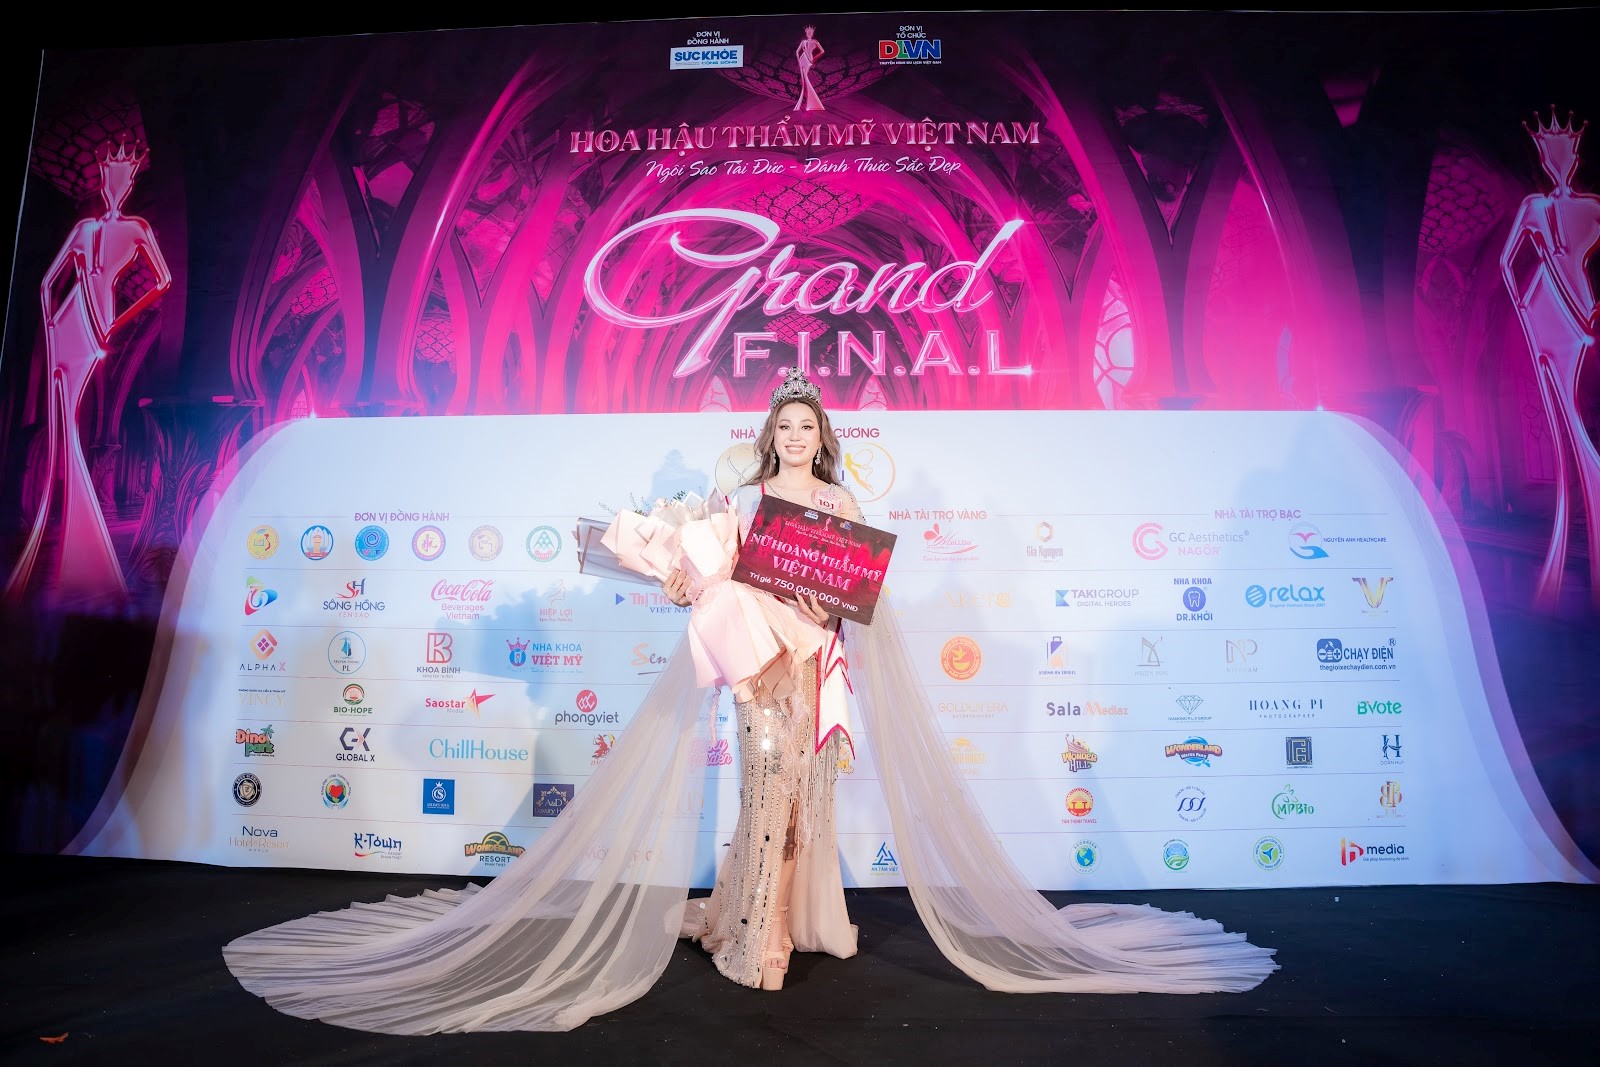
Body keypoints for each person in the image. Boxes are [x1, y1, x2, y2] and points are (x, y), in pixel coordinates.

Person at [222, 368, 1277, 1034]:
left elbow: (851, 594)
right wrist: (685, 577)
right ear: (770, 435)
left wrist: (827, 598)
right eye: (787, 426)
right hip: (757, 672)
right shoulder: (740, 501)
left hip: (813, 666)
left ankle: (789, 918)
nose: (798, 437)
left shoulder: (839, 502)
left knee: (807, 797)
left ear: (825, 436)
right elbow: (708, 576)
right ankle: (750, 941)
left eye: (810, 426)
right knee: (765, 789)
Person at [794, 25, 826, 112]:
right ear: (806, 34)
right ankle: (806, 102)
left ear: (812, 33)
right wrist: (799, 61)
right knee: (804, 79)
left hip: (809, 59)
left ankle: (810, 102)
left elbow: (822, 51)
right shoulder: (803, 41)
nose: (809, 34)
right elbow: (797, 52)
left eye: (810, 33)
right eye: (808, 33)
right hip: (803, 59)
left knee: (805, 78)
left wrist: (814, 58)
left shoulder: (815, 41)